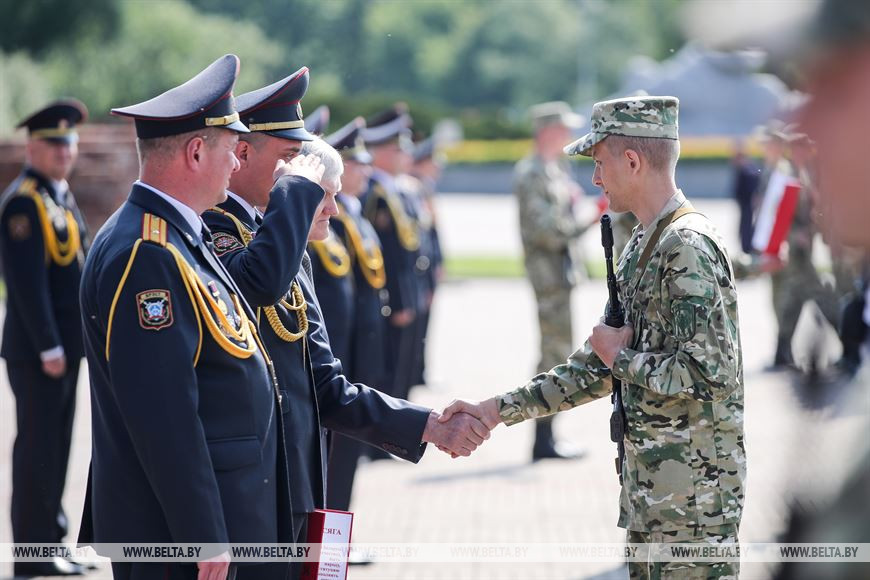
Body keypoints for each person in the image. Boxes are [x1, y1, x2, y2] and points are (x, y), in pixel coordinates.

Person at [201, 73, 490, 579]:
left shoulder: (286, 247)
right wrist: (294, 195)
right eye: (291, 164)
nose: (306, 186)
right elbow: (258, 285)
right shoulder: (214, 229)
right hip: (236, 500)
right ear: (242, 156)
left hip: (292, 486)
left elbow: (325, 384)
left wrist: (426, 425)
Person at [442, 96, 745, 580]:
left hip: (694, 506)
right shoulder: (645, 243)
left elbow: (710, 374)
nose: (595, 178)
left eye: (600, 163)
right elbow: (594, 367)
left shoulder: (686, 249)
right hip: (654, 495)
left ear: (632, 160)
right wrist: (496, 410)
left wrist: (621, 358)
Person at [77, 54, 293, 580]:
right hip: (175, 536)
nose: (237, 163)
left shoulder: (175, 234)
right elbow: (163, 415)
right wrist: (204, 535)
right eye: (228, 149)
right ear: (197, 150)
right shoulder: (147, 251)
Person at [1, 99, 90, 578]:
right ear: (33, 147)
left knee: (57, 446)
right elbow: (26, 284)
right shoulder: (24, 202)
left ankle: (52, 539)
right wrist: (49, 346)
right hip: (40, 352)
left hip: (64, 348)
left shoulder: (59, 196)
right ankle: (30, 557)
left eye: (69, 143)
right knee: (36, 450)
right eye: (54, 143)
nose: (63, 151)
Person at [515, 101, 593, 461]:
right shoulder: (532, 172)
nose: (569, 135)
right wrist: (590, 220)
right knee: (552, 356)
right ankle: (542, 440)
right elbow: (546, 230)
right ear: (548, 131)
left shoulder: (552, 168)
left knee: (557, 353)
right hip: (548, 279)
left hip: (559, 276)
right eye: (563, 129)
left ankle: (547, 435)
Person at [360, 104, 422, 402]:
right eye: (399, 149)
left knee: (403, 365)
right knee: (388, 366)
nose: (406, 155)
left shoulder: (395, 190)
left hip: (408, 291)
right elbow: (383, 255)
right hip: (391, 295)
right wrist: (398, 300)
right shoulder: (373, 193)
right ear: (382, 151)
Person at [404, 136, 445, 388]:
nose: (438, 167)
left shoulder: (423, 187)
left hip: (428, 265)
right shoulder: (415, 188)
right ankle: (416, 371)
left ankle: (419, 371)